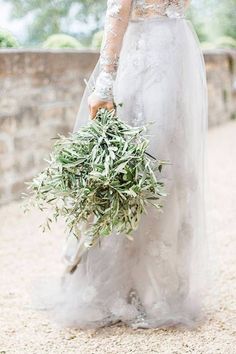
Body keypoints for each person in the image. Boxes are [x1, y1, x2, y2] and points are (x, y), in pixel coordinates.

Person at [37, 0, 208, 329]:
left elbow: (121, 9)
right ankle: (131, 287)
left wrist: (105, 81)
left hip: (163, 56)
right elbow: (124, 8)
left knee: (160, 171)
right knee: (148, 170)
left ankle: (150, 289)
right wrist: (106, 81)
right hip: (162, 53)